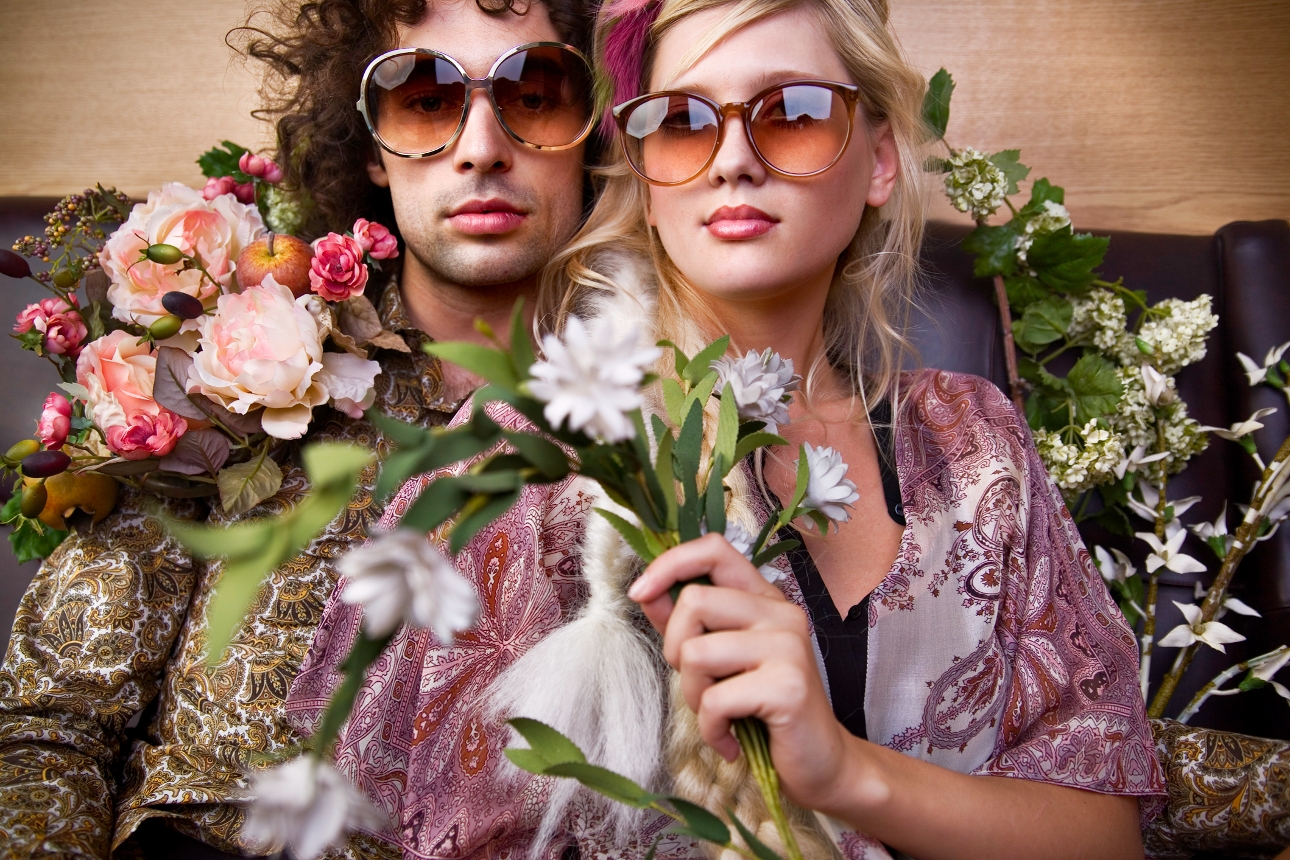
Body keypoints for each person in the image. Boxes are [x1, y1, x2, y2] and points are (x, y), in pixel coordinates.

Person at [291, 0, 1166, 857]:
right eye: (680, 121)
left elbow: (1101, 832)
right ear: (638, 167)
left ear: (879, 159)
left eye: (794, 113)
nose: (734, 162)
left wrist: (844, 774)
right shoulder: (535, 458)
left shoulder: (974, 439)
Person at [0, 0, 597, 856]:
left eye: (534, 96)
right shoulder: (232, 363)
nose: (480, 147)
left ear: (594, 131)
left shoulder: (657, 430)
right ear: (370, 150)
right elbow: (49, 727)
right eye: (426, 99)